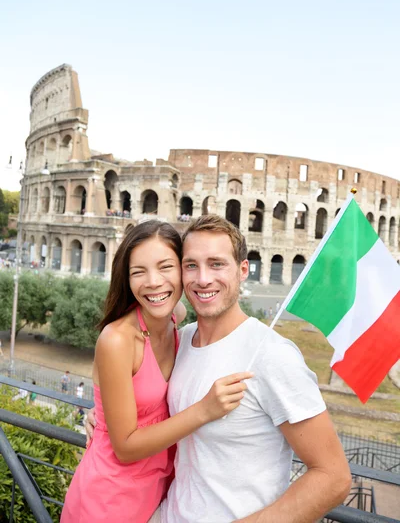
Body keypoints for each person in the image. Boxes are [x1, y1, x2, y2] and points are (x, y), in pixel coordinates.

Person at [87, 215, 351, 523]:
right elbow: (146, 410)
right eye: (191, 265)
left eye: (216, 264)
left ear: (242, 270)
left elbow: (333, 476)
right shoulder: (180, 341)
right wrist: (102, 417)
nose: (202, 279)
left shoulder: (273, 356)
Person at [62, 220, 251, 523]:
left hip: (160, 496)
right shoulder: (118, 340)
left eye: (165, 267)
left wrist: (99, 413)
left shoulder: (175, 317)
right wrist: (205, 410)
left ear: (182, 270)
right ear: (126, 278)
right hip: (109, 500)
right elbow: (124, 448)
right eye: (139, 271)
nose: (153, 282)